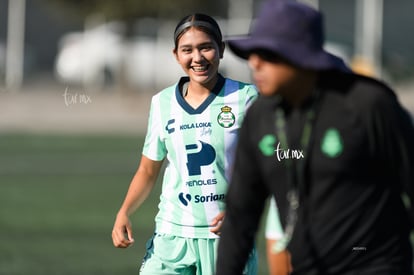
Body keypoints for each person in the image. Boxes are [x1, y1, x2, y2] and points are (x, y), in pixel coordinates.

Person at [216, 0, 414, 274]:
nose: (254, 62)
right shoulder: (259, 117)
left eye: (268, 54)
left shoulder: (368, 104)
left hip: (375, 265)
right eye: (252, 53)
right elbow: (240, 218)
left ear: (301, 56)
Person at [111, 13, 259, 275]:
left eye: (206, 47)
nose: (198, 58)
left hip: (226, 238)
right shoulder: (162, 103)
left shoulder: (246, 98)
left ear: (221, 50)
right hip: (171, 236)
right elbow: (148, 170)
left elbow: (270, 166)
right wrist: (124, 211)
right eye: (187, 50)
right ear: (176, 55)